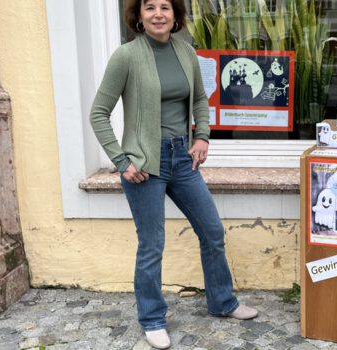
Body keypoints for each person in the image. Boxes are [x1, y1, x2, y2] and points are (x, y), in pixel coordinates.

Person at [89, 0, 258, 348]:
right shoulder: (127, 56)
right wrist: (122, 161)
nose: (158, 14)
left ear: (175, 15)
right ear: (138, 15)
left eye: (165, 6)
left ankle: (223, 302)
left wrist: (202, 136)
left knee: (212, 230)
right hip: (144, 166)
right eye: (149, 7)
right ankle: (152, 318)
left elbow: (199, 99)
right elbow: (98, 113)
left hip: (182, 159)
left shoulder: (185, 51)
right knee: (152, 245)